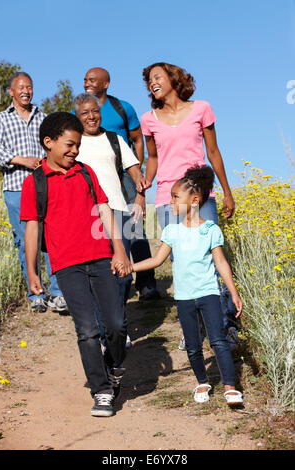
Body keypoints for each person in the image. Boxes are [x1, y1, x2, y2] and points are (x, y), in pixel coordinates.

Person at [20, 111, 131, 417]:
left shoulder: (86, 173)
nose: (74, 151)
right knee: (87, 330)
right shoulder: (35, 183)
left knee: (117, 326)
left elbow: (105, 210)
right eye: (69, 144)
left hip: (101, 258)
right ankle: (102, 391)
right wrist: (32, 271)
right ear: (49, 143)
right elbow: (32, 228)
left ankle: (115, 365)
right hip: (66, 266)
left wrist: (119, 250)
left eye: (78, 145)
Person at [127, 165, 243, 406]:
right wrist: (131, 268)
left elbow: (220, 262)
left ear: (194, 200)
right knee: (192, 345)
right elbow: (157, 260)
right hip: (184, 297)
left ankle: (230, 386)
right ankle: (202, 381)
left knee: (218, 340)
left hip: (209, 293)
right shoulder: (172, 231)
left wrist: (233, 291)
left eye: (175, 197)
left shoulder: (210, 230)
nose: (170, 202)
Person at [141, 62, 238, 346]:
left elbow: (213, 151)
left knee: (209, 256)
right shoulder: (149, 119)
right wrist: (143, 184)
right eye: (149, 80)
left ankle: (224, 325)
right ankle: (192, 325)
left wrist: (227, 192)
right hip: (166, 197)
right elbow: (153, 159)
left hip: (200, 194)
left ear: (173, 79)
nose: (152, 83)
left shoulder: (201, 109)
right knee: (180, 260)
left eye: (157, 77)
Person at [73, 92, 150, 348]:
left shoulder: (115, 139)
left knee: (124, 275)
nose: (91, 116)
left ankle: (117, 323)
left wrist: (140, 191)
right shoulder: (73, 143)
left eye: (94, 111)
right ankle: (106, 330)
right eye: (85, 113)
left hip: (119, 209)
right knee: (97, 274)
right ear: (77, 116)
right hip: (88, 215)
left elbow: (134, 169)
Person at [83, 67, 159, 300]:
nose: (87, 83)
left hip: (124, 173)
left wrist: (135, 170)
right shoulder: (81, 110)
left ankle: (146, 283)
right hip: (97, 175)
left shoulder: (122, 108)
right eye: (85, 79)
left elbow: (137, 138)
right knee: (103, 229)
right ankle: (112, 280)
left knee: (134, 226)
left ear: (105, 84)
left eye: (92, 80)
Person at [0, 72, 68, 313]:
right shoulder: (1, 120)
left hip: (45, 186)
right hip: (16, 186)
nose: (26, 90)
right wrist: (21, 160)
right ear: (11, 92)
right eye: (21, 87)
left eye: (29, 86)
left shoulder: (43, 117)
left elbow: (55, 145)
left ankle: (58, 293)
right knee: (25, 240)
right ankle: (36, 293)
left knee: (52, 238)